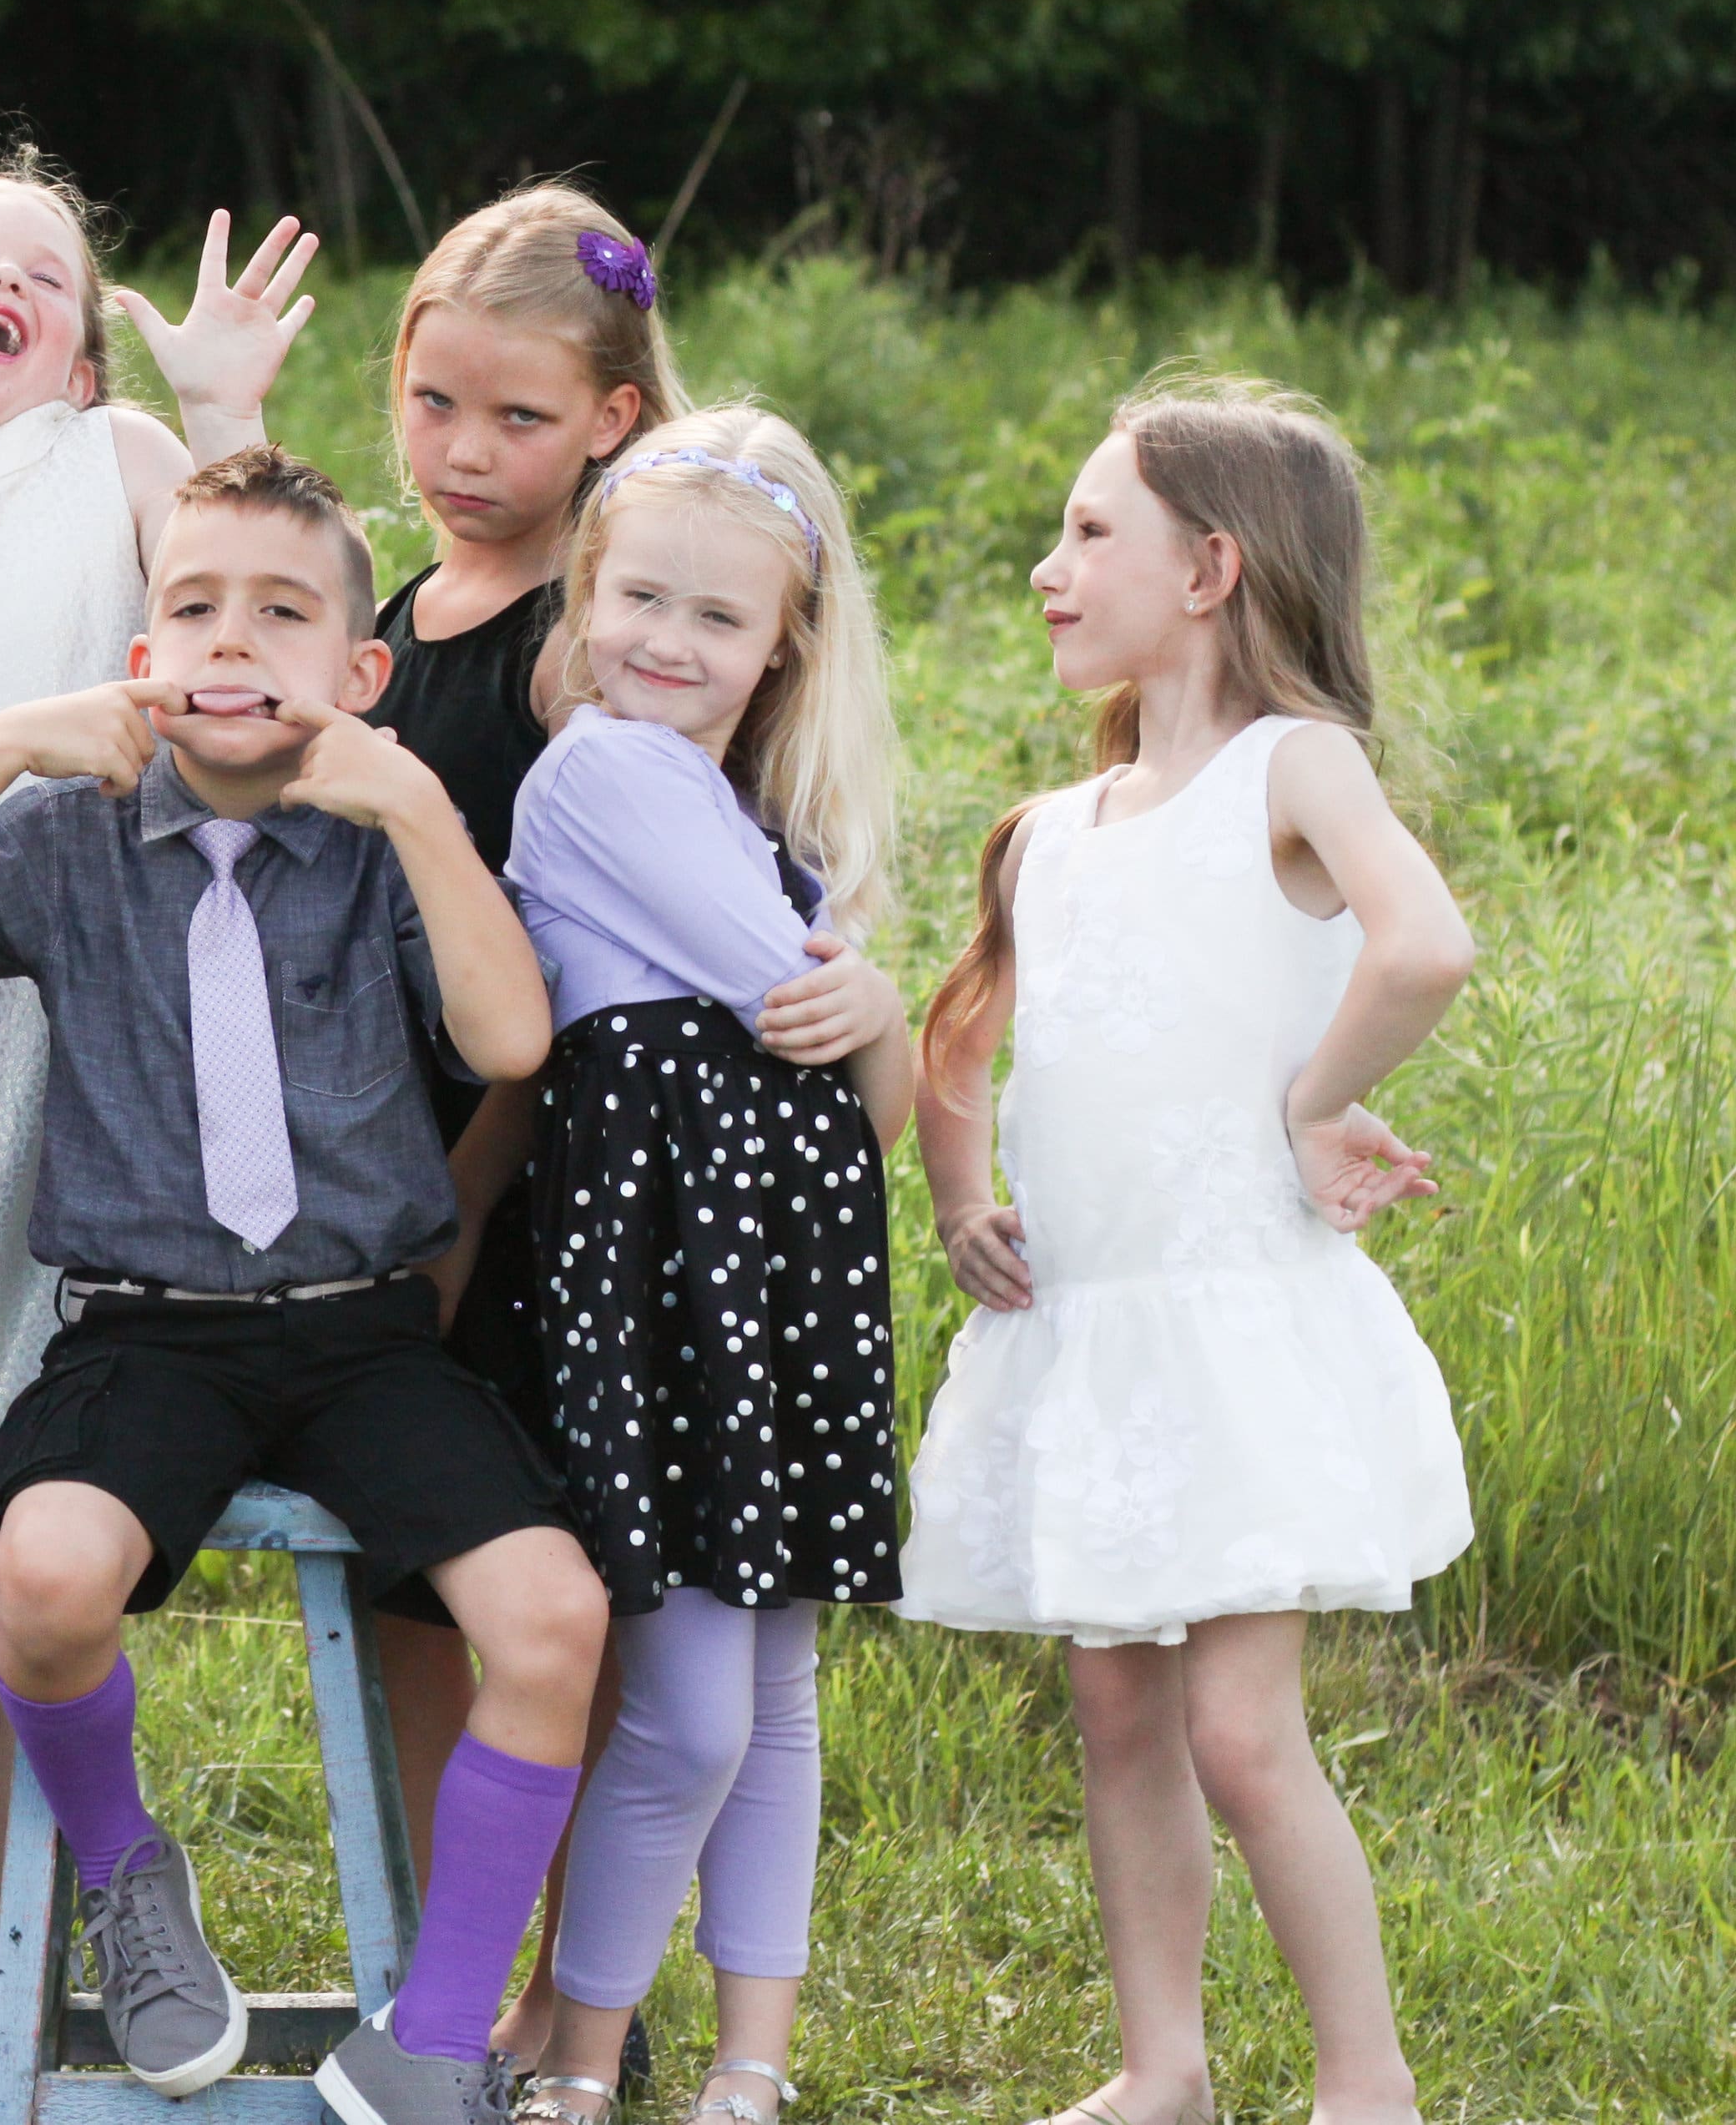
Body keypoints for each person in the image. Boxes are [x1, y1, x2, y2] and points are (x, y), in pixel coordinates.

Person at [0, 447, 608, 2125]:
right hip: (144, 1330)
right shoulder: (65, 835)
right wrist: (9, 739)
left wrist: (414, 809)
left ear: (356, 670)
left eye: (281, 611)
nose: (230, 641)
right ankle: (126, 1879)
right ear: (140, 645)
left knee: (552, 1616)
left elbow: (507, 1038)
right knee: (40, 1575)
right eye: (191, 606)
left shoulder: (384, 842)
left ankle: (442, 2024)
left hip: (367, 1333)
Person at [901, 377, 1476, 2125]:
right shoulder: (1046, 832)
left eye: (1088, 532)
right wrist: (959, 1198)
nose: (1043, 568)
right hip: (1091, 1335)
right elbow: (954, 1043)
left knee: (1238, 1729)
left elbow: (1422, 945)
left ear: (1212, 566)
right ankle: (1162, 2063)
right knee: (1116, 1713)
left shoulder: (1285, 768)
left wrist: (1314, 1104)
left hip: (1231, 1332)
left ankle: (1359, 2080)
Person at [0, 149, 321, 1926]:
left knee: (70, 1476)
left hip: (103, 1037)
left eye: (46, 272)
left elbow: (249, 598)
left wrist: (219, 412)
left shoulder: (102, 460)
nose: (7, 275)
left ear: (79, 365)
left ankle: (108, 1844)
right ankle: (26, 1907)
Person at [438, 410, 911, 2125]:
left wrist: (869, 1011)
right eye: (636, 595)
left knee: (772, 1684)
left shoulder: (742, 808)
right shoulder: (608, 775)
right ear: (582, 592)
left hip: (772, 1273)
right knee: (697, 1708)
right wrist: (867, 996)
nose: (664, 641)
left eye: (716, 618)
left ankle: (747, 2063)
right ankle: (570, 2045)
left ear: (782, 638)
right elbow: (803, 1004)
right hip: (667, 1288)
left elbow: (872, 1081)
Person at [351, 181, 686, 2079]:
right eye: (429, 406)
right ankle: (440, 1977)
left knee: (567, 1596)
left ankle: (582, 1996)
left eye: (516, 421)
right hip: (388, 1185)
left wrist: (466, 1203)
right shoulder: (388, 628)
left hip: (539, 1188)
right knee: (413, 1591)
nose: (462, 458)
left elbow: (565, 973)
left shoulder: (582, 646)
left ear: (613, 423)